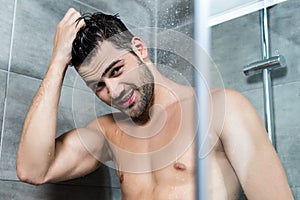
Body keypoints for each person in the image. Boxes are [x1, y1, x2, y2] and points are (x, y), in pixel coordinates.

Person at [16, 8, 294, 200]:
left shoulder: (222, 109)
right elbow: (33, 170)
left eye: (116, 70)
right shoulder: (108, 133)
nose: (113, 91)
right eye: (98, 85)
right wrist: (57, 62)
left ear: (139, 49)